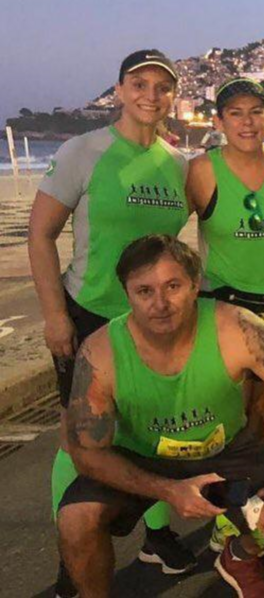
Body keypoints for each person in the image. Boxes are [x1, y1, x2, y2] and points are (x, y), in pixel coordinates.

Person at [56, 235, 264, 598]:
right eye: (144, 291)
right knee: (76, 519)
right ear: (127, 293)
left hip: (224, 457)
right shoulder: (100, 352)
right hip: (144, 460)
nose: (160, 304)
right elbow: (86, 450)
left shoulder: (236, 327)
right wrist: (168, 490)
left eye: (173, 286)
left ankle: (240, 557)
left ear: (196, 285)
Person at [28, 50, 195, 591]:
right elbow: (39, 235)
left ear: (173, 96)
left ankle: (159, 539)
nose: (151, 94)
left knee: (150, 431)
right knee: (80, 440)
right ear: (120, 90)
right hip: (91, 314)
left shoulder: (178, 163)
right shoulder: (85, 151)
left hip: (156, 324)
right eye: (139, 83)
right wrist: (55, 316)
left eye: (162, 86)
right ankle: (71, 561)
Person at [187, 78, 264, 440]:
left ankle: (249, 483)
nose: (247, 122)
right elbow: (163, 234)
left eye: (256, 112)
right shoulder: (202, 171)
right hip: (224, 302)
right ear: (219, 123)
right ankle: (216, 487)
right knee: (225, 404)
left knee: (261, 408)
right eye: (235, 114)